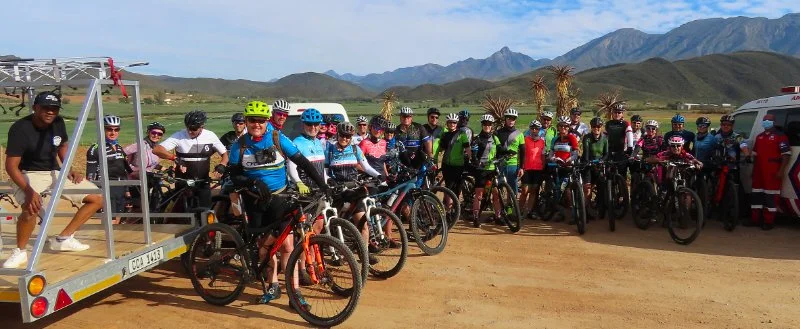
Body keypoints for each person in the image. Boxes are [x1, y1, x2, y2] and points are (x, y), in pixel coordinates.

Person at [227, 99, 326, 306]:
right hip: (255, 202)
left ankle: (294, 292)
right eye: (253, 120)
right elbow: (235, 176)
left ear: (266, 121)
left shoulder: (276, 138)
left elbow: (302, 162)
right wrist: (252, 181)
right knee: (264, 247)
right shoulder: (240, 146)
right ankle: (273, 285)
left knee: (288, 245)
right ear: (246, 121)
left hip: (280, 198)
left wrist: (322, 185)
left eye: (261, 120)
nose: (257, 124)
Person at [3, 91, 104, 269]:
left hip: (54, 171)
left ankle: (63, 238)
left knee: (96, 198)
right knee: (31, 207)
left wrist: (68, 169)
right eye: (46, 108)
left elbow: (62, 146)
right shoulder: (20, 129)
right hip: (28, 173)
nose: (51, 112)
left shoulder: (58, 122)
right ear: (35, 108)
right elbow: (11, 166)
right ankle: (19, 251)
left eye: (55, 109)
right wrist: (29, 191)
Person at [325, 122, 382, 263]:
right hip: (337, 190)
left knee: (363, 223)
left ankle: (365, 254)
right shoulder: (330, 149)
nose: (345, 138)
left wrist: (378, 175)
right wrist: (329, 181)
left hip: (353, 188)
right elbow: (324, 171)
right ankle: (339, 253)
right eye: (343, 135)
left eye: (348, 136)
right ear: (338, 134)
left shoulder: (355, 149)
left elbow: (366, 167)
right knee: (335, 223)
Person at [152, 110, 228, 209]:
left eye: (194, 129)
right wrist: (175, 158)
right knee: (180, 214)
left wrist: (222, 165)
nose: (190, 131)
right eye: (188, 128)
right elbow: (157, 149)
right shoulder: (179, 135)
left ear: (202, 126)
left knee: (206, 213)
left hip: (203, 182)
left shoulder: (210, 136)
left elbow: (224, 154)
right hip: (183, 183)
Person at [86, 115, 133, 225]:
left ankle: (114, 241)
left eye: (116, 129)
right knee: (109, 221)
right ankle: (107, 241)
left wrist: (127, 190)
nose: (113, 133)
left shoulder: (119, 147)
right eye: (109, 129)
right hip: (106, 188)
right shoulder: (95, 148)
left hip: (120, 188)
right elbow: (90, 174)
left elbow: (123, 170)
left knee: (117, 220)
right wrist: (95, 191)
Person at [747, 114, 790, 230]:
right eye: (764, 120)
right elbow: (755, 155)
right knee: (756, 195)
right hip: (758, 171)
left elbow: (786, 155)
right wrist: (753, 170)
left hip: (772, 170)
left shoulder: (780, 136)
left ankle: (768, 221)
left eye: (769, 120)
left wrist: (781, 171)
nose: (766, 122)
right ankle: (755, 219)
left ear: (774, 122)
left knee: (770, 196)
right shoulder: (759, 136)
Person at [433, 113, 472, 211]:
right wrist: (434, 159)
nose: (452, 124)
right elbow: (440, 149)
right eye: (450, 122)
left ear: (457, 123)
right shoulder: (445, 135)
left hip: (459, 165)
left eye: (454, 122)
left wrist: (471, 157)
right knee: (449, 187)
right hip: (447, 164)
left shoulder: (462, 134)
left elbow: (467, 147)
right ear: (447, 123)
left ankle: (456, 208)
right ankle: (449, 209)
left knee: (457, 187)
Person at [470, 114, 502, 228]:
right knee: (479, 194)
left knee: (495, 194)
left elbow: (500, 149)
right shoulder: (477, 139)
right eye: (485, 124)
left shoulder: (495, 138)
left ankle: (498, 217)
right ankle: (476, 217)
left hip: (492, 170)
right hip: (481, 170)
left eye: (489, 124)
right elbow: (473, 154)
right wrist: (476, 161)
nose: (487, 126)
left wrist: (509, 152)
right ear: (482, 125)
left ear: (492, 125)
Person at [288, 108, 327, 194]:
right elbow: (291, 166)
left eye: (316, 124)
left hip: (320, 190)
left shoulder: (318, 142)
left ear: (320, 125)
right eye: (309, 124)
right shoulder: (297, 142)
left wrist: (326, 182)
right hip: (305, 191)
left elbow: (321, 167)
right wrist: (299, 183)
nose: (313, 127)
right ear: (303, 125)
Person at [549, 116, 580, 223]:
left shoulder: (572, 138)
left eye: (566, 126)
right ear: (558, 127)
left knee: (568, 190)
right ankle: (560, 213)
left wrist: (570, 159)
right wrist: (554, 159)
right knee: (557, 191)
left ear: (568, 127)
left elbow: (576, 153)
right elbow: (551, 153)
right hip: (558, 167)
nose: (563, 128)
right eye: (561, 126)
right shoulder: (555, 139)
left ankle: (574, 214)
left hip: (569, 167)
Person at [581, 117, 608, 218]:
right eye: (594, 127)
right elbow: (586, 152)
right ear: (591, 127)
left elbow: (606, 153)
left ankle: (600, 207)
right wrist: (588, 162)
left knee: (602, 186)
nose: (596, 128)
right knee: (587, 190)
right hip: (588, 164)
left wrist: (602, 160)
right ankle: (585, 212)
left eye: (598, 126)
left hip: (599, 165)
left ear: (601, 127)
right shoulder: (587, 138)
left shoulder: (605, 139)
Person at [519, 120, 546, 220]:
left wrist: (543, 167)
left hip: (538, 169)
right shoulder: (525, 140)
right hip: (527, 168)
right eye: (532, 128)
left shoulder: (542, 142)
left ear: (539, 130)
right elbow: (521, 154)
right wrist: (520, 166)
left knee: (534, 190)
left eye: (537, 129)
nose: (534, 130)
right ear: (530, 129)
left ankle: (529, 211)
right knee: (524, 190)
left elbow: (543, 155)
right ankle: (519, 211)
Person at [494, 108, 525, 193]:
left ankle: (511, 205)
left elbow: (522, 152)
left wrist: (522, 167)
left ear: (515, 120)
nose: (511, 120)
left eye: (513, 118)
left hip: (513, 165)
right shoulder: (497, 133)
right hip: (500, 164)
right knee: (498, 188)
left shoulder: (519, 134)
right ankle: (499, 205)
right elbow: (495, 149)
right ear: (505, 119)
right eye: (509, 118)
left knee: (512, 188)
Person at [604, 103, 634, 176]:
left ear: (622, 114)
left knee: (622, 174)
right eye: (615, 112)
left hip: (622, 152)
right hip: (610, 152)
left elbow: (629, 135)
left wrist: (630, 148)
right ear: (612, 113)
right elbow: (604, 137)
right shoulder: (608, 124)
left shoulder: (625, 124)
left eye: (619, 112)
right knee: (608, 173)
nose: (617, 114)